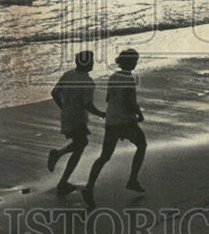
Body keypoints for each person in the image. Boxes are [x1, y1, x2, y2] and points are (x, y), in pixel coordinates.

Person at [82, 49, 146, 205]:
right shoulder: (129, 79)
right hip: (125, 121)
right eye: (135, 60)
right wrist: (139, 114)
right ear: (130, 62)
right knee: (142, 145)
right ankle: (132, 179)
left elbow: (108, 98)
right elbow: (129, 102)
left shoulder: (113, 77)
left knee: (105, 156)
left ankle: (89, 186)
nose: (136, 63)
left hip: (111, 121)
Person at [47, 50, 105, 194]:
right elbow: (88, 105)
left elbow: (54, 93)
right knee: (80, 146)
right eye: (91, 60)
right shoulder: (87, 82)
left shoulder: (68, 75)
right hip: (78, 118)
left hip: (66, 115)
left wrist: (63, 107)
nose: (92, 63)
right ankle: (62, 176)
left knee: (81, 144)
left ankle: (61, 172)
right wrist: (102, 114)